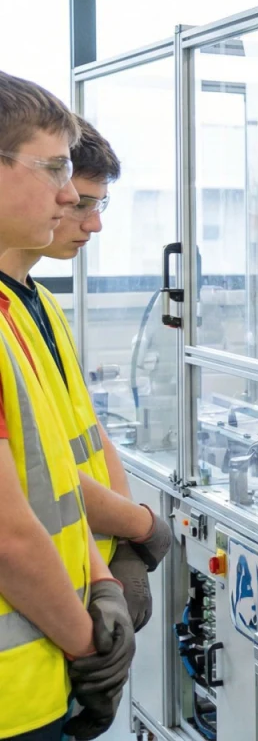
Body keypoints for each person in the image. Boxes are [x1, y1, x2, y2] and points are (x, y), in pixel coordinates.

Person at [0, 71, 133, 741]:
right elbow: (6, 531)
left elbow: (54, 464)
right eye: (53, 169)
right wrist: (89, 647)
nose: (66, 197)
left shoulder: (25, 309)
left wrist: (105, 572)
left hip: (47, 659)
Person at [0, 121, 172, 637]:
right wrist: (140, 525)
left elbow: (89, 437)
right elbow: (37, 484)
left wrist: (120, 549)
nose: (90, 222)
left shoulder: (43, 305)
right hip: (42, 604)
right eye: (79, 202)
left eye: (96, 204)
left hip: (83, 577)